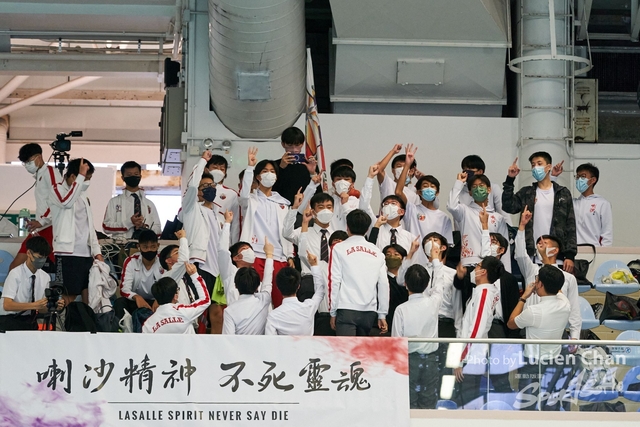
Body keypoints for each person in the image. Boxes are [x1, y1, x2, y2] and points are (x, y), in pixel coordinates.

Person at [507, 265, 571, 411]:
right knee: (550, 404)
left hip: (532, 362)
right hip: (555, 360)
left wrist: (524, 297)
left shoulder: (533, 311)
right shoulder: (565, 304)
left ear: (540, 284)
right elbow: (558, 290)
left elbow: (511, 323)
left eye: (537, 280)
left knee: (527, 405)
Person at [502, 153, 577, 272]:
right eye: (533, 165)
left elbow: (570, 225)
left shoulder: (562, 193)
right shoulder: (527, 193)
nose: (535, 167)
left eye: (539, 163)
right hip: (531, 256)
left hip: (556, 257)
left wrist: (570, 255)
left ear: (548, 167)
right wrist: (510, 179)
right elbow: (508, 206)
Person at [515, 206, 581, 340]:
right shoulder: (532, 270)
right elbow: (520, 254)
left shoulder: (568, 278)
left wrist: (575, 337)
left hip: (556, 330)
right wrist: (522, 226)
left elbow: (574, 310)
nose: (540, 246)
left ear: (555, 250)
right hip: (530, 328)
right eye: (539, 243)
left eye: (544, 243)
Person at [239, 147, 293, 308]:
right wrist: (250, 167)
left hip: (278, 255)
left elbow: (287, 230)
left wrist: (289, 255)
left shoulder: (282, 203)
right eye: (265, 171)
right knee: (255, 301)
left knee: (280, 301)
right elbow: (243, 194)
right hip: (255, 253)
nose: (269, 174)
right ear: (258, 176)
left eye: (272, 171)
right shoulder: (250, 200)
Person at [48, 158, 103, 305]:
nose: (87, 182)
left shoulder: (83, 195)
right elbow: (66, 202)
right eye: (86, 178)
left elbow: (89, 225)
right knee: (68, 295)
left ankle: (87, 318)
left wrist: (97, 251)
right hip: (67, 253)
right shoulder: (57, 190)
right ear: (73, 176)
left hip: (86, 253)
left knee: (89, 293)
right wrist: (80, 177)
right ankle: (61, 320)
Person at [329, 209, 389, 336]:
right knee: (360, 349)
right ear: (367, 229)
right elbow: (384, 284)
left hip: (346, 308)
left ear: (347, 227)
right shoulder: (377, 252)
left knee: (346, 348)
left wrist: (332, 311)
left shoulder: (339, 248)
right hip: (369, 311)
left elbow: (334, 281)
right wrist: (382, 314)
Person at [182, 150, 223, 333]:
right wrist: (202, 161)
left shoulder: (217, 214)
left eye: (212, 185)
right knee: (198, 311)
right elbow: (191, 186)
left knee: (217, 314)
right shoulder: (191, 208)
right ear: (198, 192)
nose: (209, 188)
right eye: (204, 186)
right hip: (199, 265)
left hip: (217, 268)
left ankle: (215, 345)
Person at [392, 264, 443, 409]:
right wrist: (436, 261)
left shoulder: (401, 310)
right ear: (427, 285)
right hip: (431, 360)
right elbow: (439, 284)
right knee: (428, 404)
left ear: (405, 284)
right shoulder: (433, 302)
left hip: (408, 360)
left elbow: (396, 342)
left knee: (408, 403)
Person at [454, 257, 503, 406]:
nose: (474, 269)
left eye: (477, 266)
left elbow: (476, 330)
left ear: (483, 271)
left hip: (471, 357)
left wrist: (461, 359)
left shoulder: (484, 294)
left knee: (467, 401)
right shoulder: (484, 291)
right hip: (473, 354)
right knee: (468, 400)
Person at [10, 144, 62, 273]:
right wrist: (38, 222)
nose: (27, 165)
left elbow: (58, 200)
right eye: (25, 163)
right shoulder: (40, 176)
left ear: (39, 157)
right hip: (42, 227)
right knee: (18, 268)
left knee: (17, 267)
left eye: (28, 161)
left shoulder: (50, 173)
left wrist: (41, 221)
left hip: (51, 228)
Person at [395, 145, 453, 260]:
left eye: (432, 187)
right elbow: (398, 191)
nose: (429, 189)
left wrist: (440, 267)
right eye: (425, 186)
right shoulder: (412, 209)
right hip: (414, 262)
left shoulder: (444, 218)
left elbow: (446, 247)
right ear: (419, 192)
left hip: (434, 263)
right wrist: (407, 165)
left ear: (437, 192)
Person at [397, 233, 459, 338]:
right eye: (428, 240)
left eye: (435, 240)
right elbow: (400, 280)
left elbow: (457, 304)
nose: (431, 242)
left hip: (444, 321)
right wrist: (411, 253)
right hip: (421, 319)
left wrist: (459, 330)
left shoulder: (452, 273)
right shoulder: (419, 271)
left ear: (443, 247)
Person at [448, 171, 510, 269]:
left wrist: (505, 272)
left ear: (489, 189)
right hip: (469, 263)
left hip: (490, 266)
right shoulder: (464, 211)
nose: (478, 189)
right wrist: (459, 183)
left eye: (481, 185)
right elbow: (451, 206)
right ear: (470, 192)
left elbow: (504, 247)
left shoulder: (498, 218)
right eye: (474, 187)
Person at [0, 236, 64, 331]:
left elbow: (41, 308)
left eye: (45, 258)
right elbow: (7, 305)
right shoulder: (15, 274)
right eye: (39, 257)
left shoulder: (45, 277)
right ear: (29, 253)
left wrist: (54, 306)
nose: (42, 261)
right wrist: (34, 305)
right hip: (9, 318)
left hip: (30, 319)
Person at [222, 236, 274, 335]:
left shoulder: (229, 311)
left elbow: (228, 339)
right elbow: (268, 280)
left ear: (236, 286)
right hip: (262, 343)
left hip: (239, 344)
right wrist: (269, 255)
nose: (249, 251)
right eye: (244, 249)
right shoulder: (263, 300)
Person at [265, 251, 326, 335]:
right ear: (298, 286)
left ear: (278, 288)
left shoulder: (273, 316)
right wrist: (314, 265)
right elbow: (320, 291)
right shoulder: (309, 307)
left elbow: (270, 340)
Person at [141, 262, 210, 334]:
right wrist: (194, 275)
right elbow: (206, 300)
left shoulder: (148, 324)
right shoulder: (184, 311)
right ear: (176, 296)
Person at [102, 161, 161, 238]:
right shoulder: (114, 202)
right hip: (121, 243)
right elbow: (106, 227)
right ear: (123, 178)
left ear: (140, 176)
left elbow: (158, 230)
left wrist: (145, 228)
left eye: (136, 174)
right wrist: (129, 223)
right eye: (129, 175)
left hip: (144, 244)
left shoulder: (149, 204)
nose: (133, 177)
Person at [115, 229, 164, 320]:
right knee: (120, 302)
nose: (149, 250)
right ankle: (122, 327)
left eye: (153, 247)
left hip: (158, 301)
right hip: (136, 301)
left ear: (158, 246)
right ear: (139, 247)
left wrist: (160, 299)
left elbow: (168, 286)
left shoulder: (163, 261)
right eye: (145, 247)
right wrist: (136, 297)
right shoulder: (131, 261)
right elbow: (124, 289)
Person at [272, 126, 319, 205]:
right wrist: (281, 168)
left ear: (302, 144)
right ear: (283, 144)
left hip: (304, 208)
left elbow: (318, 193)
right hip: (281, 207)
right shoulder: (274, 165)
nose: (294, 150)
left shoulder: (309, 165)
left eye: (297, 145)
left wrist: (313, 173)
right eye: (290, 145)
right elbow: (271, 191)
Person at [457, 154, 510, 224]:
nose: (466, 173)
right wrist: (458, 183)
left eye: (470, 170)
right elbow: (454, 212)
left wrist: (509, 228)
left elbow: (503, 213)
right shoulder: (459, 189)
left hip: (489, 227)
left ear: (480, 172)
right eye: (464, 169)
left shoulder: (493, 188)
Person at [572, 163, 613, 246]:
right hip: (573, 249)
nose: (579, 180)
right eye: (577, 177)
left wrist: (604, 252)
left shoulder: (602, 203)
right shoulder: (572, 203)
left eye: (583, 176)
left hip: (593, 248)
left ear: (593, 180)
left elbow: (607, 233)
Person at [206, 154, 241, 245]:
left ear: (225, 173)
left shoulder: (232, 194)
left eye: (222, 169)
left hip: (222, 238)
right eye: (215, 168)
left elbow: (236, 223)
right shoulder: (198, 191)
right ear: (206, 169)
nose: (218, 171)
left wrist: (234, 245)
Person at [382, 244, 409, 334]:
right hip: (384, 325)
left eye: (396, 254)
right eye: (388, 254)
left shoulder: (408, 280)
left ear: (402, 259)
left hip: (404, 325)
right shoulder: (381, 279)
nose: (392, 257)